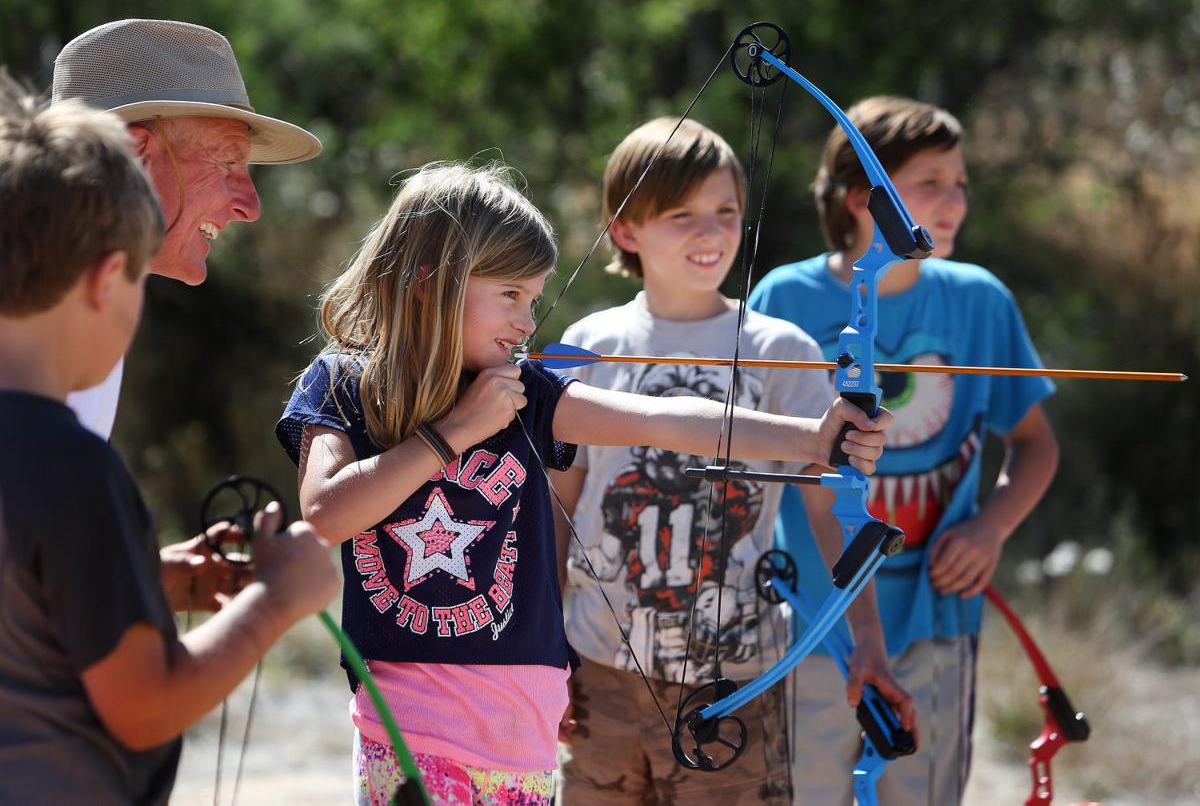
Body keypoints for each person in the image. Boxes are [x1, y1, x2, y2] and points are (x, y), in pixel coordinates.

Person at [274, 161, 895, 806]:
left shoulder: (527, 395)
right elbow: (325, 512)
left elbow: (660, 419)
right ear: (432, 282)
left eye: (534, 299)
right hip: (408, 722)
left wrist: (812, 439)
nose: (526, 319)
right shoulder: (345, 384)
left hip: (525, 730)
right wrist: (453, 431)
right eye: (510, 295)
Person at [551, 117, 915, 805]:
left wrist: (868, 641)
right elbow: (558, 502)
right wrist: (544, 645)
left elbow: (834, 511)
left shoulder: (784, 350)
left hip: (737, 678)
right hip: (598, 667)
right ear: (626, 231)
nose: (710, 232)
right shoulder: (586, 342)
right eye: (681, 215)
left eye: (725, 212)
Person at [0, 75, 338, 805]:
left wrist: (146, 581)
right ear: (105, 280)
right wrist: (277, 600)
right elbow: (145, 703)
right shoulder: (70, 466)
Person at [748, 96, 1060, 805]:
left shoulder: (979, 299)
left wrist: (992, 527)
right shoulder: (783, 297)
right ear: (862, 197)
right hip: (812, 618)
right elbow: (774, 457)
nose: (953, 201)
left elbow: (1036, 443)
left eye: (961, 184)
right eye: (930, 183)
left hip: (938, 610)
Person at [49, 17, 323, 612]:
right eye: (228, 162)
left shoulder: (79, 297)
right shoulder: (35, 309)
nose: (250, 205)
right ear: (132, 155)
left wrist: (148, 576)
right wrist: (269, 614)